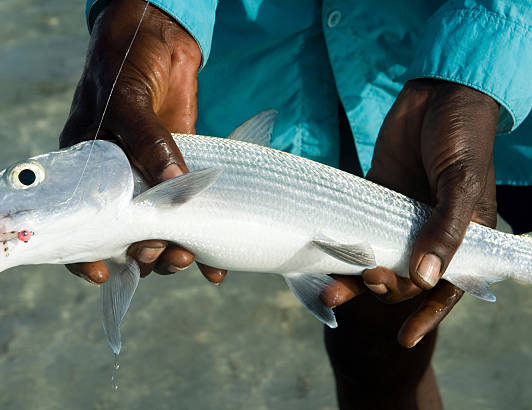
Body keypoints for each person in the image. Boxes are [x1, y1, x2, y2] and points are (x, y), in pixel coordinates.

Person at [59, 1, 532, 408]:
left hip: (488, 66)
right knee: (375, 352)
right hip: (282, 76)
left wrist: (482, 57)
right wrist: (151, 9)